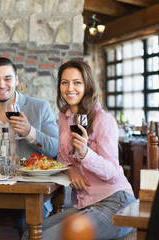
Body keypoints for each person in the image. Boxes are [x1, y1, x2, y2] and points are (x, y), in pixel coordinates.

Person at [23, 60, 136, 240]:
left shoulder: (103, 119)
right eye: (64, 82)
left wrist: (85, 154)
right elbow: (61, 154)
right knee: (30, 235)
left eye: (77, 82)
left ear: (87, 85)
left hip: (115, 201)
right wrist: (71, 169)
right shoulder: (64, 115)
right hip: (85, 205)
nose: (70, 88)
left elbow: (113, 174)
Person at [0, 57, 59, 239]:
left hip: (28, 193)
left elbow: (55, 149)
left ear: (16, 81)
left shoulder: (39, 108)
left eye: (7, 78)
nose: (1, 84)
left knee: (29, 232)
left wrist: (30, 131)